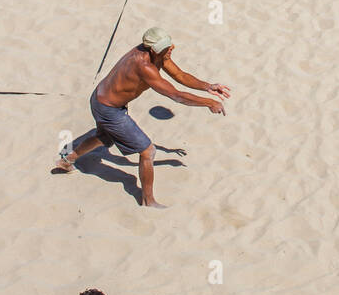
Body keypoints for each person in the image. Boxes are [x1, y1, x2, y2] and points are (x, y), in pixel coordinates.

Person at [55, 28, 228, 208]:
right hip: (109, 109)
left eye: (170, 45)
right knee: (147, 151)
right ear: (153, 49)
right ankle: (148, 201)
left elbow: (179, 75)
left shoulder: (158, 54)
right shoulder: (144, 66)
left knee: (104, 138)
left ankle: (67, 160)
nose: (171, 48)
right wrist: (209, 103)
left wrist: (208, 87)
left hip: (101, 98)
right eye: (166, 47)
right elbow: (176, 95)